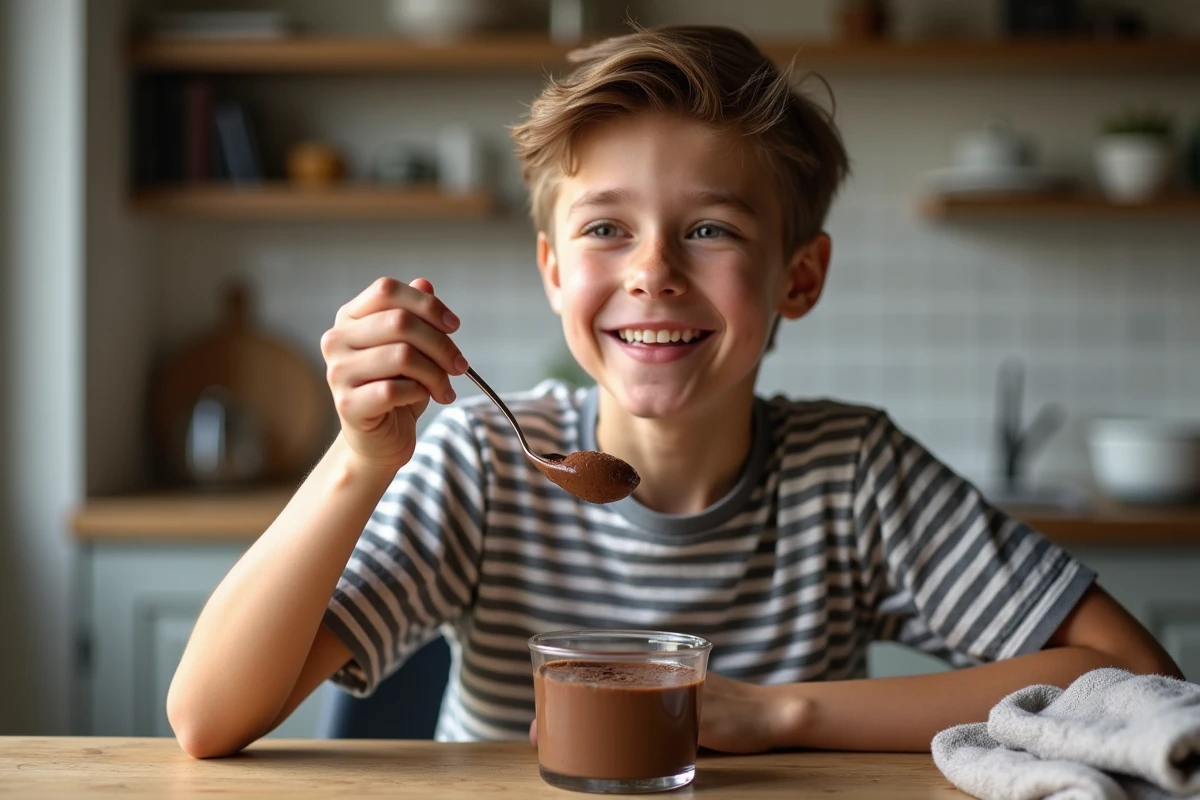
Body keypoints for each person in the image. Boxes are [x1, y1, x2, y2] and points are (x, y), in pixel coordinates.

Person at [166, 25, 1182, 759]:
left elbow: (1125, 673)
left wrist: (782, 714)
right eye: (606, 227)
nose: (652, 270)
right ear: (555, 270)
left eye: (710, 229)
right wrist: (359, 459)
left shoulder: (851, 473)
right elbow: (206, 716)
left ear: (801, 275)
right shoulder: (484, 461)